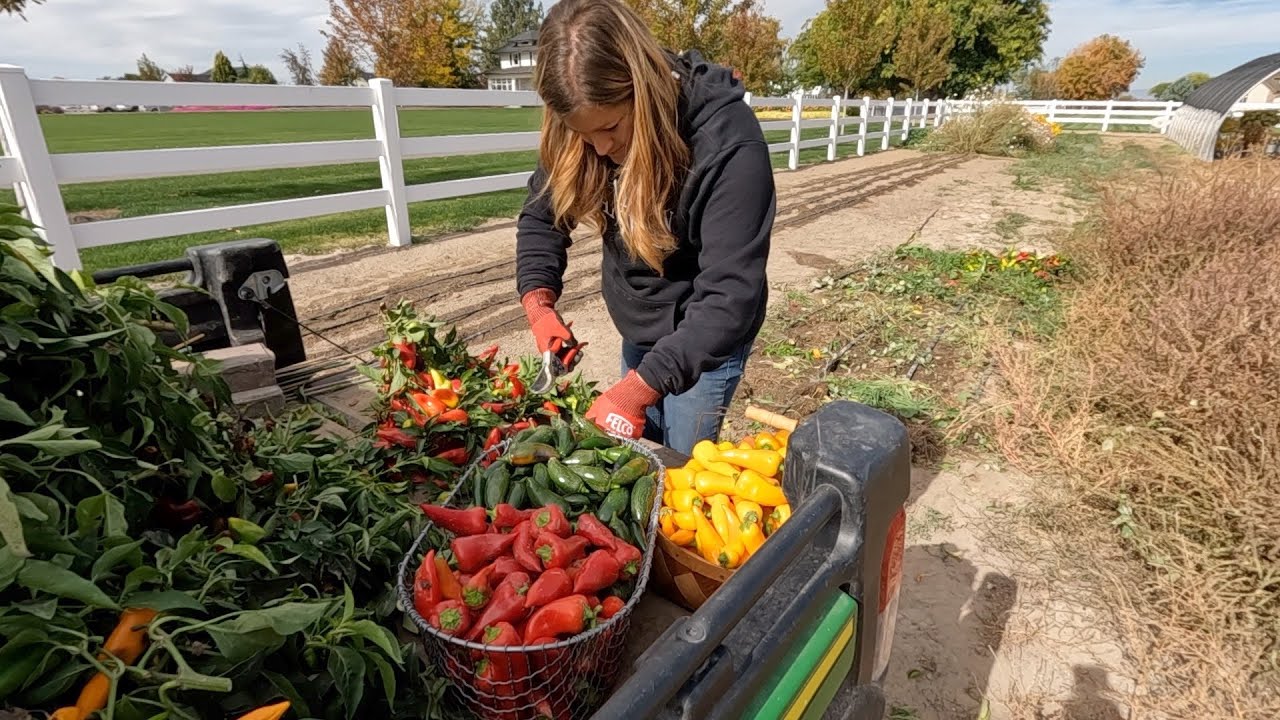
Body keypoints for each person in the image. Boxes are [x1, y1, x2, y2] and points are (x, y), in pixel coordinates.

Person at [515, 0, 775, 456]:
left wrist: (641, 388)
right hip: (640, 325)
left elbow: (730, 296)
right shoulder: (587, 130)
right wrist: (539, 303)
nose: (598, 147)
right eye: (582, 134)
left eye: (611, 126)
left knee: (679, 467)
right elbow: (541, 216)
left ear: (644, 89)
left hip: (703, 334)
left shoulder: (727, 143)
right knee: (637, 458)